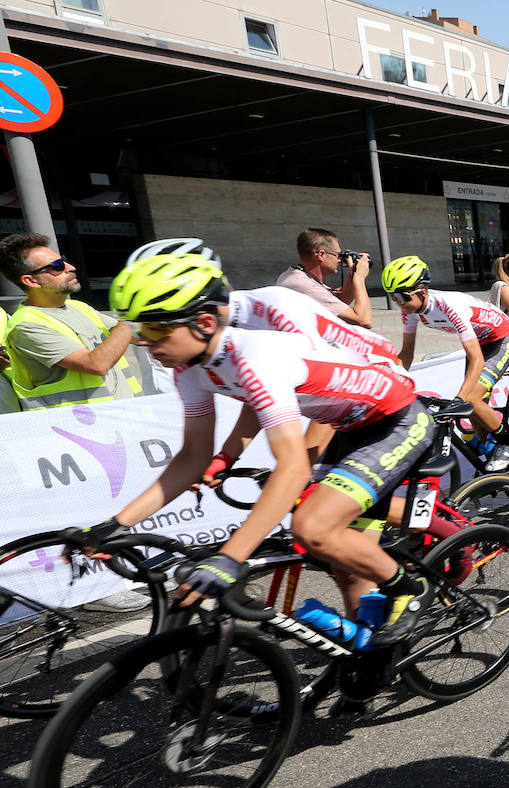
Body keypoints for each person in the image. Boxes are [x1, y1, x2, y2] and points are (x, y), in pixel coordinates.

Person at [81, 253, 437, 651]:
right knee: (336, 552)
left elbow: (292, 466)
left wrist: (231, 558)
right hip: (350, 425)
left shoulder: (257, 355)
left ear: (204, 323)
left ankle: (410, 588)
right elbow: (192, 458)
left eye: (156, 328)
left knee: (313, 526)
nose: (145, 341)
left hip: (396, 418)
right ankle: (370, 653)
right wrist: (117, 523)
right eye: (138, 328)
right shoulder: (190, 370)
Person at [381, 254, 509, 471]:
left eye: (402, 296)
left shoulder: (449, 305)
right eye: (392, 296)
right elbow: (406, 354)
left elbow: (477, 359)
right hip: (478, 342)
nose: (398, 303)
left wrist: (460, 399)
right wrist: (389, 385)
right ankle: (490, 458)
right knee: (474, 410)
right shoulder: (411, 311)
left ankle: (508, 442)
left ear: (422, 291)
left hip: (499, 339)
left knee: (470, 399)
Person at [0, 233, 150, 412]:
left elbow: (137, 334)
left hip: (126, 418)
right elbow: (96, 364)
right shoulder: (26, 326)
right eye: (57, 266)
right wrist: (128, 318)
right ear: (31, 281)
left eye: (64, 260)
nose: (70, 267)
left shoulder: (78, 307)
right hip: (81, 431)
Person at [276, 228, 372, 328]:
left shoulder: (293, 275)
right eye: (337, 255)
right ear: (321, 255)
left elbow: (338, 301)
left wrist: (353, 275)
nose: (339, 260)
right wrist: (359, 279)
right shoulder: (305, 286)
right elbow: (364, 320)